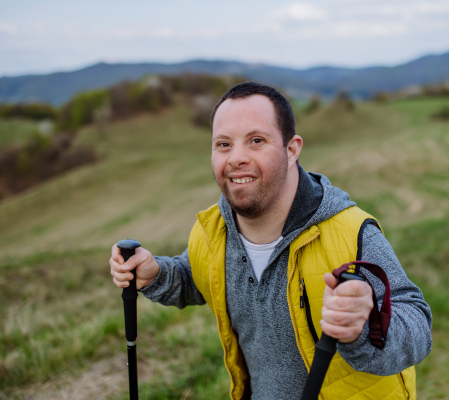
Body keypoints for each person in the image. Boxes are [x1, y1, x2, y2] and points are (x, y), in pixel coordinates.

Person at [110, 82, 432, 399]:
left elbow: (418, 324)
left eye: (256, 140)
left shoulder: (351, 232)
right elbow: (202, 278)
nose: (236, 157)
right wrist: (157, 275)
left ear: (292, 150)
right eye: (224, 144)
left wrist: (365, 326)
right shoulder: (212, 232)